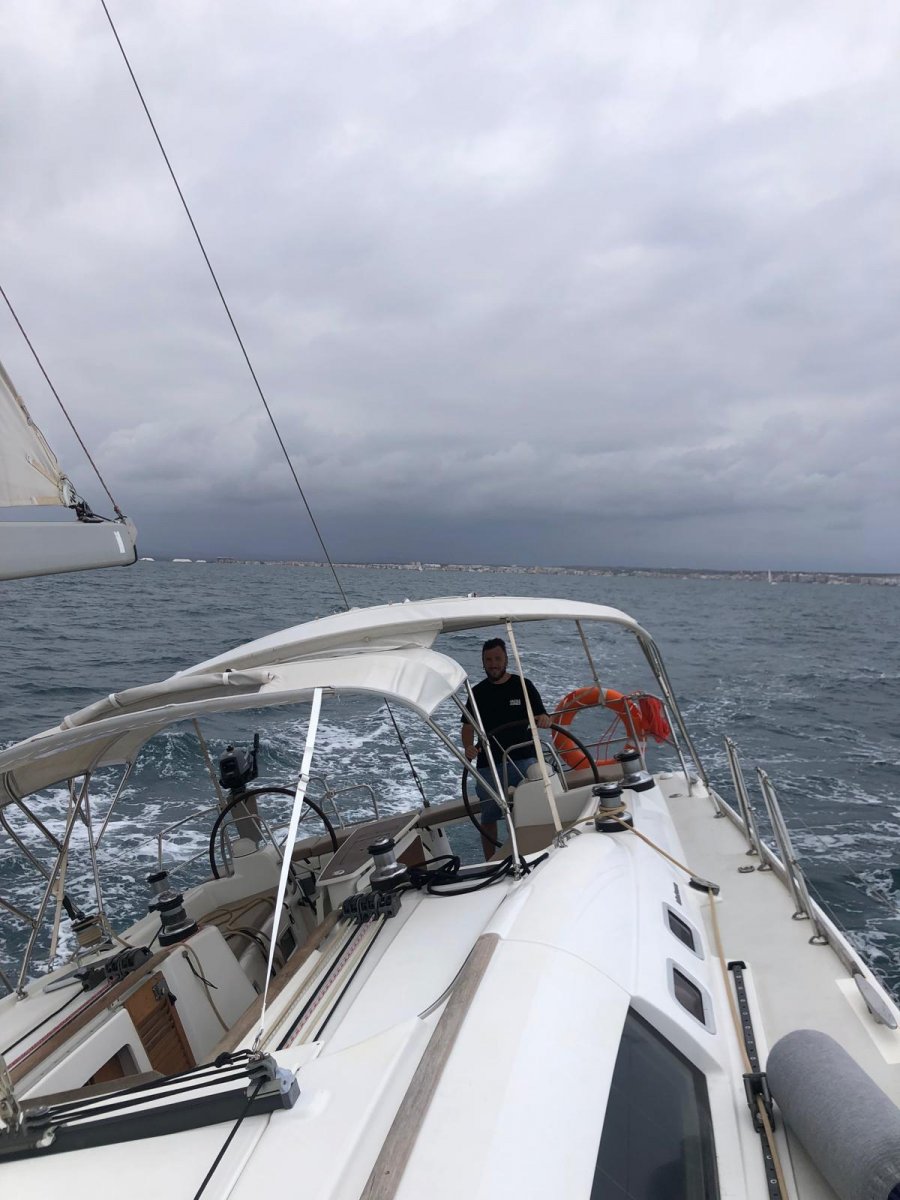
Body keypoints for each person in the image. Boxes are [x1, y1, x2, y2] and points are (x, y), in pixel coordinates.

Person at [461, 637, 552, 859]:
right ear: (483, 662)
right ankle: (490, 861)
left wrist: (544, 719)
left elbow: (542, 714)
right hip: (489, 764)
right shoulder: (477, 692)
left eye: (497, 659)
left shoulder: (523, 685)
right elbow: (467, 727)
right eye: (488, 659)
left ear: (506, 660)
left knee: (537, 801)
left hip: (524, 758)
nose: (493, 664)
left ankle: (542, 849)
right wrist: (468, 748)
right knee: (489, 816)